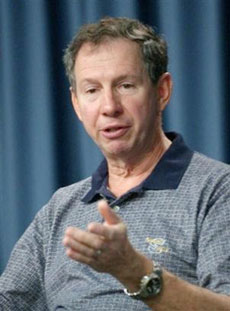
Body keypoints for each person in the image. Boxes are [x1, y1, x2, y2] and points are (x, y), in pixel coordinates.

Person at [0, 17, 230, 311]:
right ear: (77, 104)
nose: (109, 107)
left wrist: (135, 272)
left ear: (162, 91)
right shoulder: (60, 208)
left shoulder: (217, 190)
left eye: (125, 85)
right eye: (92, 90)